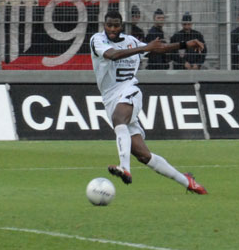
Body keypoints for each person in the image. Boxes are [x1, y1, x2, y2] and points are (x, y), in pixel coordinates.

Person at [89, 10, 207, 194]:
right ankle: (187, 181)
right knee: (144, 156)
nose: (112, 29)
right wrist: (145, 48)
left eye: (116, 25)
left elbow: (157, 48)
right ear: (104, 25)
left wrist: (184, 44)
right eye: (109, 25)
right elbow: (113, 55)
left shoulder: (131, 41)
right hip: (110, 98)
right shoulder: (97, 40)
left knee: (119, 119)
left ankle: (124, 168)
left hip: (130, 91)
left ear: (122, 25)